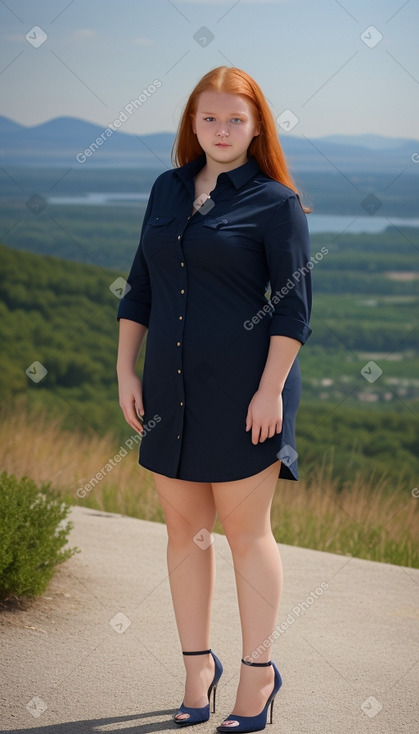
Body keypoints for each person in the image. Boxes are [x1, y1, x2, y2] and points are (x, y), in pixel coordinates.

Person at [116, 65, 312, 733]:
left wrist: (268, 392)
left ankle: (258, 674)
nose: (221, 130)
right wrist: (125, 371)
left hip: (245, 393)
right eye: (208, 118)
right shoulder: (166, 188)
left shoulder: (274, 201)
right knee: (182, 532)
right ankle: (197, 667)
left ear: (256, 126)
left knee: (245, 535)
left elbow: (291, 312)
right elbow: (139, 288)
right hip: (167, 389)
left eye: (234, 119)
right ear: (191, 124)